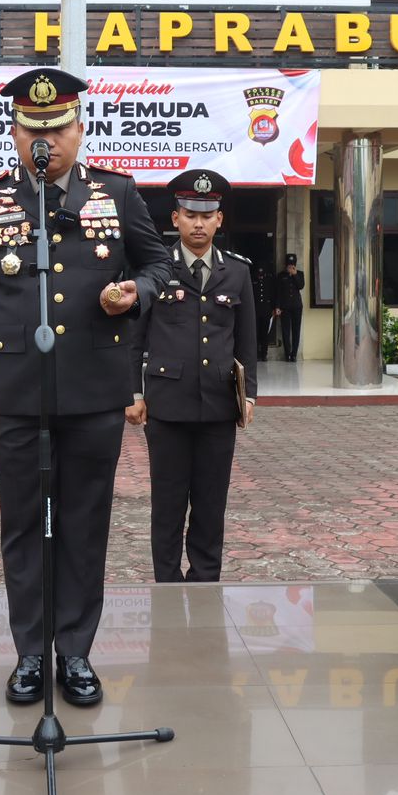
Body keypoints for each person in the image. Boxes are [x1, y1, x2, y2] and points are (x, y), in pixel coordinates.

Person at [0, 66, 170, 708]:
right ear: (15, 133)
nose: (42, 140)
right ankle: (28, 652)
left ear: (79, 129)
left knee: (83, 523)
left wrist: (135, 291)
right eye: (30, 130)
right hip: (14, 392)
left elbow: (158, 263)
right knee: (21, 524)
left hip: (94, 389)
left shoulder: (117, 193)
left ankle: (74, 652)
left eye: (56, 129)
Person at [127, 168, 257, 584]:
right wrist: (133, 393)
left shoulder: (237, 271)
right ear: (175, 218)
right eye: (190, 214)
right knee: (167, 504)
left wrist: (248, 395)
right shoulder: (155, 270)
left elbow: (247, 341)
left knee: (211, 503)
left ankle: (205, 584)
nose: (198, 224)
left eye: (206, 215)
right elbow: (133, 337)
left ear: (219, 219)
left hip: (219, 406)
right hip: (166, 407)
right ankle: (166, 584)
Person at [273, 254, 305, 361]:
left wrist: (295, 275)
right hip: (285, 307)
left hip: (297, 306)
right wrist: (277, 306)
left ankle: (294, 354)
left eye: (292, 265)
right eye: (289, 265)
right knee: (285, 331)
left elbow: (301, 286)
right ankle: (287, 354)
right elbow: (278, 292)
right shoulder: (281, 275)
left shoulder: (300, 274)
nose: (290, 267)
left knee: (296, 330)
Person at [251, 262, 274, 361]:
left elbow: (273, 295)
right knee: (255, 333)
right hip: (255, 310)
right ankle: (256, 353)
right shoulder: (253, 281)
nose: (260, 276)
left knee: (265, 333)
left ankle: (264, 354)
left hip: (266, 310)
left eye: (261, 274)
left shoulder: (269, 280)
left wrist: (275, 307)